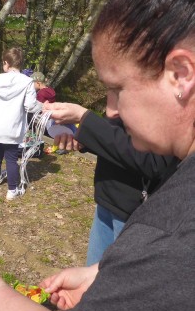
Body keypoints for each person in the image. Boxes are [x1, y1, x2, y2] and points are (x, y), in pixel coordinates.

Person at [0, 0, 195, 311]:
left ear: (181, 74)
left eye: (117, 89)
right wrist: (104, 273)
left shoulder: (171, 231)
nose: (111, 111)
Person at [42, 102, 179, 265]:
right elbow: (118, 136)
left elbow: (153, 162)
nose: (111, 111)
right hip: (106, 201)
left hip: (136, 216)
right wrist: (85, 137)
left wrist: (85, 118)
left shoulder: (177, 105)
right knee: (93, 276)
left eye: (119, 90)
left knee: (121, 283)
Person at [0, 47, 42, 200]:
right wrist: (43, 106)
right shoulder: (27, 82)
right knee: (11, 157)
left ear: (5, 63)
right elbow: (30, 106)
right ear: (20, 63)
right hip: (12, 125)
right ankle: (12, 190)